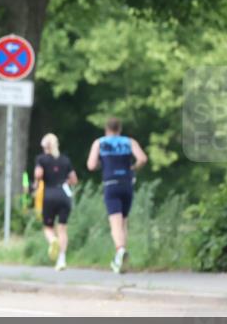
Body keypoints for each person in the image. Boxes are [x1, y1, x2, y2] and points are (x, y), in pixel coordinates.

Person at [87, 117, 148, 274]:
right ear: (120, 129)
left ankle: (120, 251)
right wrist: (133, 167)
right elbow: (142, 158)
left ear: (106, 129)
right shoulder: (129, 142)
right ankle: (120, 258)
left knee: (115, 222)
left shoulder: (99, 143)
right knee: (124, 222)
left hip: (111, 184)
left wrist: (102, 163)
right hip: (127, 184)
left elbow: (91, 165)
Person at [34, 133, 78, 271]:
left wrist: (36, 184)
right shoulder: (65, 160)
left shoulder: (41, 159)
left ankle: (53, 241)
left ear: (44, 146)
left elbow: (39, 174)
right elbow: (74, 180)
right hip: (64, 195)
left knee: (48, 227)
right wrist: (65, 181)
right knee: (63, 228)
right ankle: (62, 259)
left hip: (49, 194)